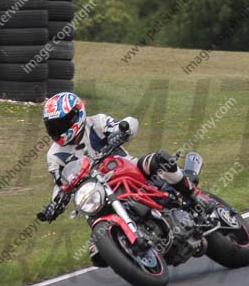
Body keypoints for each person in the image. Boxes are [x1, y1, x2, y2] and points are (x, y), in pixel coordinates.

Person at [37, 91, 195, 225]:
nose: (56, 130)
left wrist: (121, 132)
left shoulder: (97, 123)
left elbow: (130, 122)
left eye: (60, 124)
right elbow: (60, 185)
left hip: (125, 167)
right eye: (52, 127)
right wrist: (54, 205)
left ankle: (192, 196)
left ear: (76, 116)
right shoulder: (54, 155)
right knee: (95, 240)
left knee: (159, 160)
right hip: (95, 192)